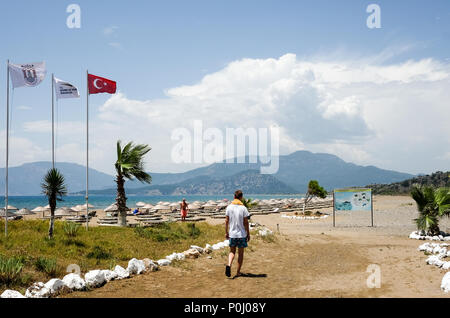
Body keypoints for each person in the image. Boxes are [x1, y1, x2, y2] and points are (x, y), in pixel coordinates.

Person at [225, 190, 250, 277]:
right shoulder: (243, 208)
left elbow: (226, 221)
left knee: (232, 252)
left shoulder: (229, 207)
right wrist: (248, 233)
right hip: (241, 234)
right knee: (240, 253)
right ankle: (238, 272)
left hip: (232, 234)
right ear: (241, 197)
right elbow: (246, 222)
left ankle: (229, 265)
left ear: (234, 197)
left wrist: (226, 232)